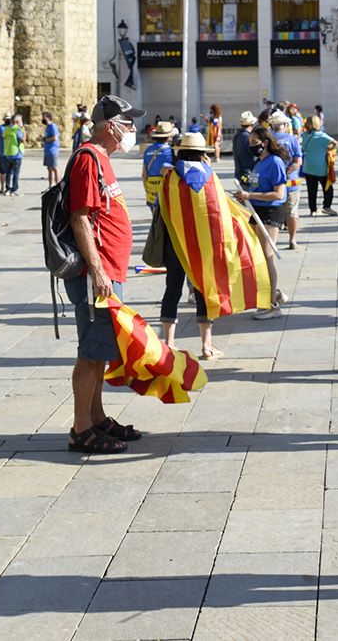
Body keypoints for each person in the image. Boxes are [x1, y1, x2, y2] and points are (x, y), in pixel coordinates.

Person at [64, 95, 145, 455]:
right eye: (127, 124)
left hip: (110, 270)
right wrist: (97, 270)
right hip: (96, 274)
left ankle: (96, 418)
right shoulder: (87, 159)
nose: (132, 130)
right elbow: (79, 216)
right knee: (91, 353)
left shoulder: (102, 159)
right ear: (110, 126)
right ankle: (82, 429)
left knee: (100, 351)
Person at [156, 133, 224, 359]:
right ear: (202, 153)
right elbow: (218, 211)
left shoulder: (170, 177)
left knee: (172, 289)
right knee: (204, 290)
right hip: (203, 245)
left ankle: (169, 343)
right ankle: (206, 346)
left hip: (174, 243)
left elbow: (162, 209)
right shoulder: (210, 177)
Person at [238, 125, 291, 319]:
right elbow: (255, 186)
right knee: (257, 257)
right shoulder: (258, 162)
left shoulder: (275, 162)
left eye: (254, 142)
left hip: (270, 211)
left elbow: (279, 193)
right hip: (256, 209)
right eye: (249, 142)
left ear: (265, 142)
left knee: (267, 255)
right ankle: (273, 292)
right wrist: (245, 196)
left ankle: (273, 305)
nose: (251, 146)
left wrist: (250, 194)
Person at [271, 112, 305, 250]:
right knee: (292, 211)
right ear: (285, 125)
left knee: (274, 211)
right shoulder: (292, 140)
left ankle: (273, 240)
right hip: (292, 181)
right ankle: (292, 239)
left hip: (273, 182)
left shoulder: (268, 140)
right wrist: (287, 172)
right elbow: (298, 161)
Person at [300, 116, 338, 216]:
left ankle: (313, 209)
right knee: (327, 188)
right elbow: (334, 142)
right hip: (321, 167)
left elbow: (303, 148)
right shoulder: (322, 135)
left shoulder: (304, 135)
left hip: (308, 167)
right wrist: (328, 148)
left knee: (311, 190)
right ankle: (327, 206)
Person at [141, 119, 177, 208]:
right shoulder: (171, 151)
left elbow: (144, 173)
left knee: (155, 218)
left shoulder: (148, 150)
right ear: (169, 137)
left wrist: (147, 189)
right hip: (166, 188)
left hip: (151, 189)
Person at [0, 114, 25, 195]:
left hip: (8, 153)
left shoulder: (6, 129)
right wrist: (23, 129)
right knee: (16, 173)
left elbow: (4, 137)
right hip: (17, 153)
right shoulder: (17, 129)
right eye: (20, 120)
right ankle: (14, 189)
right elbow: (23, 140)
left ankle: (7, 188)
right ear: (17, 121)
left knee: (8, 172)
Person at [232, 110, 258, 182]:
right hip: (250, 172)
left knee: (244, 189)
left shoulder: (237, 135)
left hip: (239, 172)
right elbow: (255, 153)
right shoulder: (248, 137)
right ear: (252, 124)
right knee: (253, 189)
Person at [40, 111, 62, 187]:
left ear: (48, 118)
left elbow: (54, 138)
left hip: (53, 150)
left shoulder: (53, 126)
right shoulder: (47, 127)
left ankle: (58, 185)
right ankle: (50, 186)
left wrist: (45, 140)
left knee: (54, 167)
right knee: (49, 168)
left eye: (44, 118)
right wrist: (42, 138)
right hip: (47, 150)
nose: (42, 119)